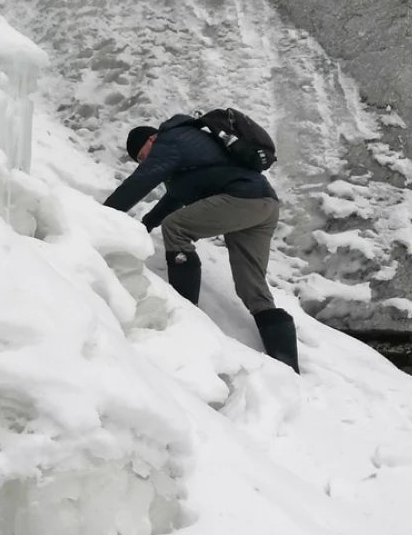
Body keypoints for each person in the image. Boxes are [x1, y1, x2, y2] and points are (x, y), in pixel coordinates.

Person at [103, 114, 299, 373]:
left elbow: (142, 180)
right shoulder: (188, 151)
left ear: (152, 138)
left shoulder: (171, 138)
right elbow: (174, 198)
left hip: (242, 198)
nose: (145, 161)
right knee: (252, 290)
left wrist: (104, 215)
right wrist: (146, 224)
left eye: (142, 155)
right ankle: (288, 367)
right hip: (264, 204)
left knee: (176, 227)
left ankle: (186, 313)